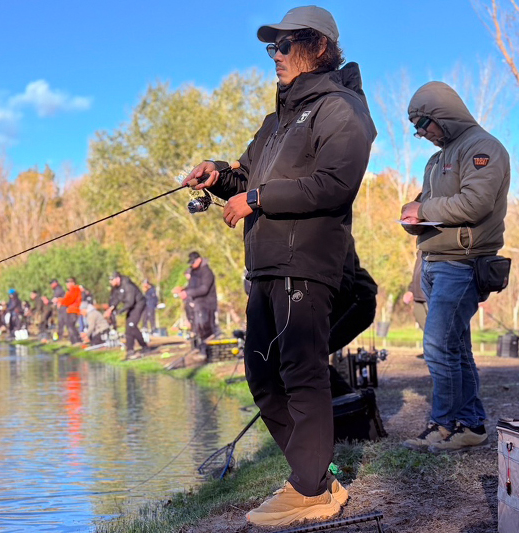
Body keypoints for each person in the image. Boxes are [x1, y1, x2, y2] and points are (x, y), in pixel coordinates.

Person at [185, 6, 376, 526]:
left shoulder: (342, 108)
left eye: (285, 44)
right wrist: (217, 174)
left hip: (306, 263)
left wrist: (257, 197)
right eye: (272, 46)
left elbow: (335, 183)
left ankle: (310, 489)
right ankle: (313, 475)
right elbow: (247, 177)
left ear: (319, 46)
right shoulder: (277, 120)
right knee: (262, 375)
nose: (275, 55)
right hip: (265, 266)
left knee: (301, 373)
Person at [400, 81, 510, 453]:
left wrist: (424, 210)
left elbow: (476, 203)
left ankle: (444, 425)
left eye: (423, 124)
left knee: (437, 345)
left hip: (462, 264)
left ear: (442, 114)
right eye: (416, 128)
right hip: (433, 262)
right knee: (456, 348)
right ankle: (471, 425)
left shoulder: (483, 147)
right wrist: (413, 216)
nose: (422, 134)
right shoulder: (436, 160)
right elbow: (428, 205)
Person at [177, 252, 218, 354]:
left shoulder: (207, 272)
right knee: (196, 328)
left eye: (193, 262)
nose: (192, 265)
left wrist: (188, 293)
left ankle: (206, 352)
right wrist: (183, 291)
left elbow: (204, 289)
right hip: (196, 304)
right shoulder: (193, 272)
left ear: (199, 260)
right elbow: (192, 286)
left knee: (205, 328)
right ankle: (198, 349)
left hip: (207, 304)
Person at [106, 272, 151, 359]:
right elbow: (115, 299)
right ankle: (130, 350)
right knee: (128, 328)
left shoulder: (128, 285)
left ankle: (144, 346)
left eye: (112, 280)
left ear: (117, 278)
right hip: (131, 306)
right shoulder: (116, 288)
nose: (110, 282)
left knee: (132, 325)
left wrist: (120, 311)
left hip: (138, 304)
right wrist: (111, 308)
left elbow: (130, 302)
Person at [57, 277, 82, 344]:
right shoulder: (70, 291)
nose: (67, 284)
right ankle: (74, 341)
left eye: (68, 282)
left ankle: (76, 341)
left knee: (71, 326)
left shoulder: (75, 289)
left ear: (73, 283)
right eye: (67, 282)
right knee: (70, 326)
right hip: (70, 310)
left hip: (74, 310)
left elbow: (69, 300)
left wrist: (60, 301)